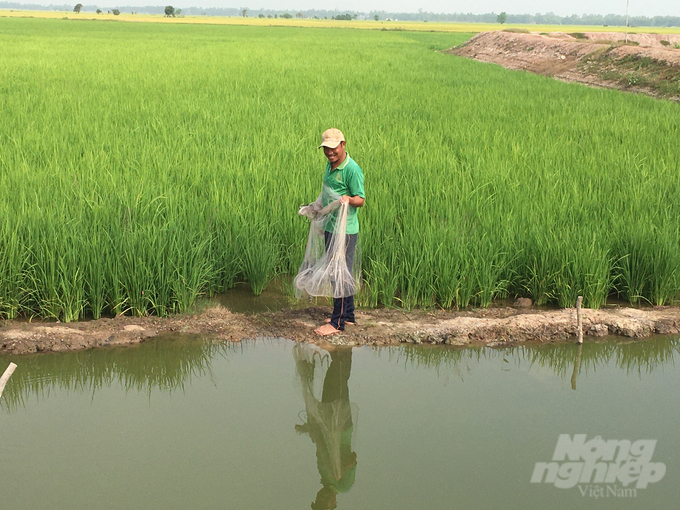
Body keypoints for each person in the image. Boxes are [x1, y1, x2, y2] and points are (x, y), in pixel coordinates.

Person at [313, 128, 365, 337]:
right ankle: (348, 315)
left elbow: (360, 199)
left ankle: (337, 323)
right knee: (338, 271)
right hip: (330, 226)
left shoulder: (352, 169)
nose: (329, 152)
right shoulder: (330, 165)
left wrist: (348, 199)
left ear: (343, 144)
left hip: (344, 231)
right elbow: (327, 190)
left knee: (339, 273)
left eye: (333, 148)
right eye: (326, 148)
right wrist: (316, 206)